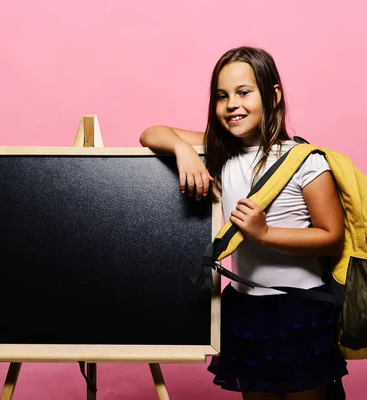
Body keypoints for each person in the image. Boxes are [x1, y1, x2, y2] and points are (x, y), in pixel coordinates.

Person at [139, 46, 348, 400]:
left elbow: (332, 236)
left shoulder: (305, 162)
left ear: (273, 96)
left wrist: (264, 234)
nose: (231, 104)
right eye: (222, 96)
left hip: (299, 307)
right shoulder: (222, 155)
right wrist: (182, 149)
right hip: (247, 308)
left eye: (243, 92)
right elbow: (150, 133)